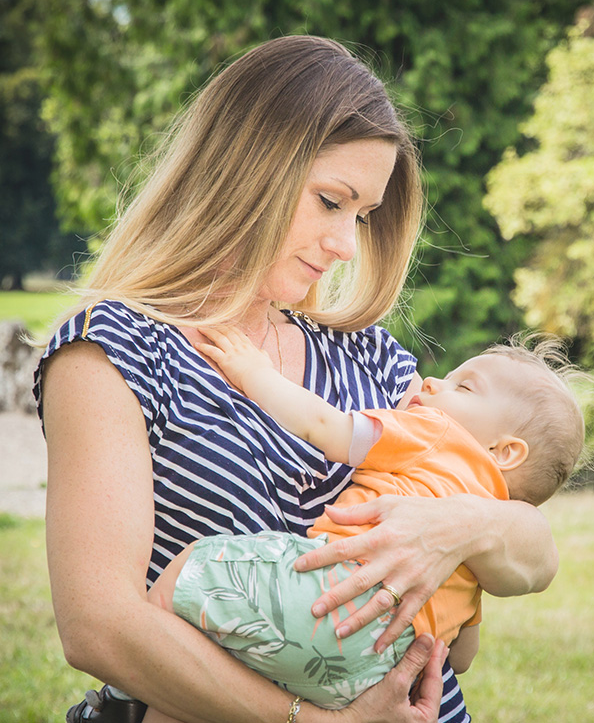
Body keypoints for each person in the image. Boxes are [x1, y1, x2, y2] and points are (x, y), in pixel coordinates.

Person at [35, 35, 560, 723]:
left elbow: (534, 552)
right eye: (330, 201)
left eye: (362, 216)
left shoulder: (370, 358)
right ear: (248, 169)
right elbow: (100, 626)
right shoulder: (112, 351)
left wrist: (460, 528)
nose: (346, 244)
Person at [141, 328, 584, 716]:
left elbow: (324, 426)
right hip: (373, 675)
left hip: (327, 598)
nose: (431, 382)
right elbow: (463, 656)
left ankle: (131, 681)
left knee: (189, 571)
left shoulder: (435, 434)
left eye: (463, 388)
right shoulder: (477, 553)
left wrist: (252, 371)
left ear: (504, 451)